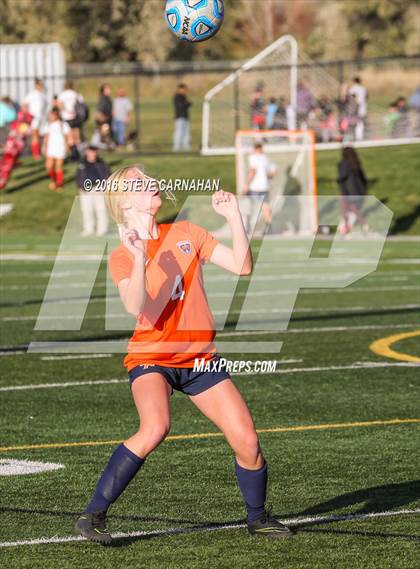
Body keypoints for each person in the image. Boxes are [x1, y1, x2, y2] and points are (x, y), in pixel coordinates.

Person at [74, 166, 293, 544]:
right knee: (155, 427)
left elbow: (242, 266)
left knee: (248, 441)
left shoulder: (187, 232)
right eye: (141, 182)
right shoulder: (123, 255)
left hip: (199, 358)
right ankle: (93, 515)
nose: (153, 183)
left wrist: (235, 219)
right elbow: (134, 304)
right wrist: (140, 256)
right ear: (126, 202)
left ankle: (257, 517)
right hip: (152, 357)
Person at [75, 146, 110, 236]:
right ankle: (88, 229)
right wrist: (80, 187)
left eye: (94, 152)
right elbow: (78, 177)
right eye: (91, 152)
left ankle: (102, 229)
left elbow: (108, 175)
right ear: (87, 152)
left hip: (99, 189)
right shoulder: (82, 164)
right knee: (87, 210)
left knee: (101, 210)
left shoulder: (102, 163)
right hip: (86, 191)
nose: (92, 154)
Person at [244, 142, 276, 234]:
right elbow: (272, 173)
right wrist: (265, 178)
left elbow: (253, 171)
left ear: (255, 149)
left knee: (250, 207)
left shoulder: (253, 157)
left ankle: (248, 227)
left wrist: (246, 184)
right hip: (264, 186)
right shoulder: (266, 158)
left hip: (254, 187)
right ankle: (268, 227)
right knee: (266, 207)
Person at [337, 146, 368, 234]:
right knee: (353, 209)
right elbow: (363, 179)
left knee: (344, 209)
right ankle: (363, 224)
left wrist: (341, 191)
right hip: (360, 191)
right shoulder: (356, 163)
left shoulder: (343, 164)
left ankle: (347, 227)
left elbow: (342, 178)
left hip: (349, 192)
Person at [42, 107, 72, 191]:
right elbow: (46, 137)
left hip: (60, 147)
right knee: (49, 166)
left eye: (52, 115)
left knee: (58, 166)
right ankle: (53, 180)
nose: (50, 117)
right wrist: (44, 146)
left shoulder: (63, 124)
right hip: (51, 148)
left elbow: (68, 136)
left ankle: (59, 184)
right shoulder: (48, 125)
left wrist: (68, 146)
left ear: (57, 115)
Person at [58, 80, 86, 160]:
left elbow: (60, 106)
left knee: (68, 137)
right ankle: (79, 154)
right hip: (76, 117)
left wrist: (66, 111)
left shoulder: (62, 95)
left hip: (66, 117)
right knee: (77, 136)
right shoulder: (76, 93)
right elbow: (82, 104)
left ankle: (72, 154)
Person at [23, 78, 48, 160]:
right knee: (35, 135)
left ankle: (42, 151)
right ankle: (36, 154)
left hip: (42, 119)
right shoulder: (32, 94)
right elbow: (25, 105)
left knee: (42, 135)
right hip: (34, 118)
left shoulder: (43, 95)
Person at [173, 83, 192, 151]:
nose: (185, 91)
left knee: (186, 133)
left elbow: (189, 103)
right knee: (178, 133)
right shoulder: (177, 97)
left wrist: (187, 103)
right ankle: (176, 148)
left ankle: (186, 148)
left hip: (186, 117)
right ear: (180, 89)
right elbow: (181, 106)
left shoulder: (184, 97)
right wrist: (187, 103)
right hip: (180, 118)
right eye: (184, 89)